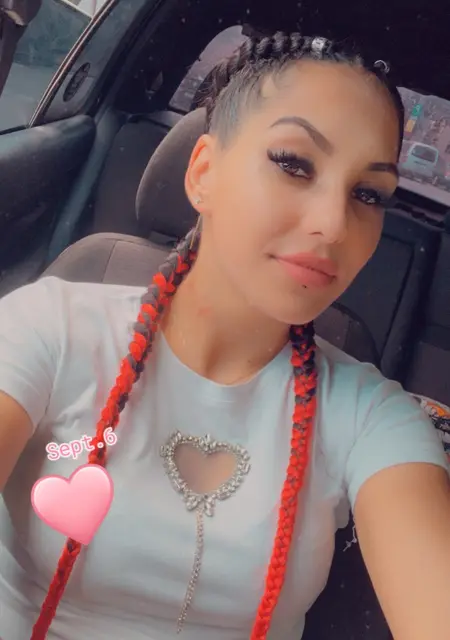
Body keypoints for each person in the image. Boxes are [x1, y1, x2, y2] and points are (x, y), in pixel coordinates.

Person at [0, 32, 449, 640]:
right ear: (204, 172)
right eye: (294, 164)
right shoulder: (50, 328)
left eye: (368, 194)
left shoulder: (373, 418)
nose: (334, 224)